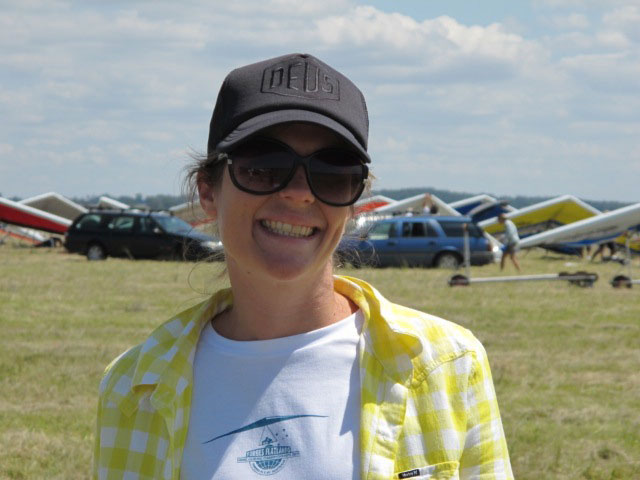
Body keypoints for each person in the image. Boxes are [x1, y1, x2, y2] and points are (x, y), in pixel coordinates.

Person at [93, 53, 513, 479]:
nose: (299, 193)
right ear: (208, 192)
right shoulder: (134, 387)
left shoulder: (448, 364)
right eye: (263, 168)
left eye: (332, 174)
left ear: (354, 202)